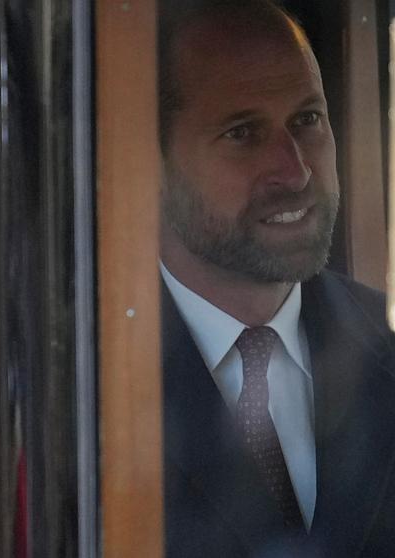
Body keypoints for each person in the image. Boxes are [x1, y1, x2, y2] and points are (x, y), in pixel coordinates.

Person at [158, 1, 395, 555]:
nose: (295, 171)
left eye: (308, 119)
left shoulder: (383, 344)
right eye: (242, 132)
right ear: (151, 165)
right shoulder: (72, 384)